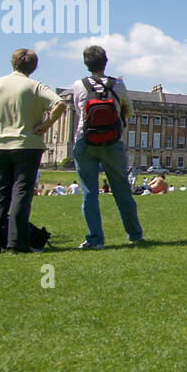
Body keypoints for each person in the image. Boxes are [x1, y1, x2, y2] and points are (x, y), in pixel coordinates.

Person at [0, 48, 67, 253]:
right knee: (21, 193)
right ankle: (16, 244)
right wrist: (46, 125)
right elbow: (60, 104)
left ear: (12, 63)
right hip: (27, 145)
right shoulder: (35, 86)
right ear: (34, 67)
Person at [68, 46, 144, 250]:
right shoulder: (118, 84)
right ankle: (135, 235)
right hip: (113, 142)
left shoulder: (79, 85)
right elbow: (129, 110)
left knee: (89, 193)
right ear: (106, 62)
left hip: (85, 141)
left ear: (86, 64)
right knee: (122, 191)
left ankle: (95, 239)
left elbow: (79, 111)